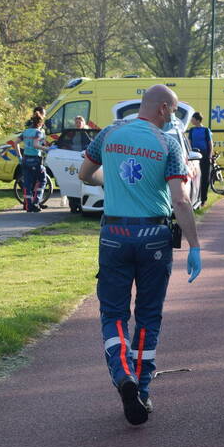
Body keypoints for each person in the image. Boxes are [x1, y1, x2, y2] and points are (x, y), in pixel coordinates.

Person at [78, 85, 203, 426]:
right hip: (154, 238)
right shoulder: (168, 144)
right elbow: (180, 200)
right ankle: (143, 389)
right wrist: (195, 245)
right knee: (148, 316)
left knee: (114, 313)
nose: (174, 118)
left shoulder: (109, 133)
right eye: (174, 112)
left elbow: (84, 174)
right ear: (163, 108)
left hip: (114, 236)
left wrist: (114, 183)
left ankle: (122, 374)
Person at [13, 115, 48, 212]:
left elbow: (15, 143)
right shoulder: (38, 132)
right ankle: (36, 203)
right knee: (42, 180)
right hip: (35, 160)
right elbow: (36, 145)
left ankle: (28, 206)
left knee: (27, 183)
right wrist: (47, 149)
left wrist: (19, 156)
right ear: (40, 123)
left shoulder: (25, 132)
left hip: (25, 159)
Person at [187, 112, 213, 204]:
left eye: (193, 119)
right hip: (194, 155)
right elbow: (189, 143)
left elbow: (210, 143)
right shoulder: (192, 130)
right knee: (195, 176)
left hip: (205, 155)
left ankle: (203, 199)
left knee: (205, 177)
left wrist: (210, 155)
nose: (191, 120)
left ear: (197, 120)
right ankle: (194, 197)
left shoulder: (206, 130)